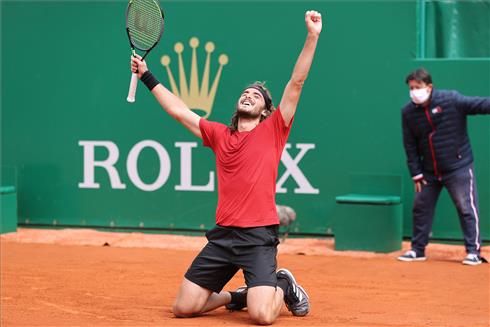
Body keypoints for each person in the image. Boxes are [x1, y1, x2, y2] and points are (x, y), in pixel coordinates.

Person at [130, 10, 322, 324]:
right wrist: (147, 76)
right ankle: (239, 295)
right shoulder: (221, 135)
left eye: (257, 95)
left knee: (262, 317)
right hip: (223, 236)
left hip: (257, 236)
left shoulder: (273, 130)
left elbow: (296, 82)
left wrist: (312, 36)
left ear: (265, 112)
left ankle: (283, 284)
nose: (249, 94)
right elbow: (180, 112)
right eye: (246, 92)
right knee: (184, 307)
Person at [397, 68, 489, 266]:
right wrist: (416, 173)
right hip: (429, 171)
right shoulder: (408, 113)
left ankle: (473, 251)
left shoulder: (451, 100)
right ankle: (417, 250)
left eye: (418, 87)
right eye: (411, 88)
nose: (414, 91)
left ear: (429, 87)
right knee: (420, 208)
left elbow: (479, 104)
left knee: (466, 208)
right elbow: (410, 145)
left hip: (458, 166)